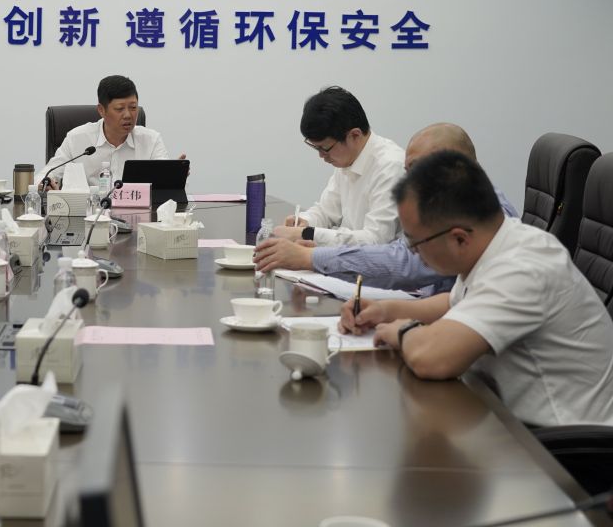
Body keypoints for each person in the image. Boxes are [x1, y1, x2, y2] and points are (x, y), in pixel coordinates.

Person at [339, 150, 613, 427]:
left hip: (561, 443)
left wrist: (402, 331)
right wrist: (385, 310)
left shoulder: (523, 268)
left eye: (415, 243)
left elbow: (431, 359)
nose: (413, 252)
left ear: (459, 238)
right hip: (510, 420)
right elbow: (456, 302)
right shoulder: (499, 241)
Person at [255, 123, 518, 294]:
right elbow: (401, 251)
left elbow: (404, 264)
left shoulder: (482, 216)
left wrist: (310, 258)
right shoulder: (444, 207)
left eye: (418, 170)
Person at [274, 86, 404, 246]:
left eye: (325, 148)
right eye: (316, 148)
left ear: (354, 135)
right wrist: (305, 221)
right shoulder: (348, 159)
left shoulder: (390, 168)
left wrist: (309, 233)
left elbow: (375, 241)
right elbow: (326, 211)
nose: (321, 156)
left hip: (375, 261)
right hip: (346, 257)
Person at [41, 75, 184, 190]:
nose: (128, 115)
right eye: (120, 109)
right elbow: (46, 176)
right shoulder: (77, 139)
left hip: (136, 214)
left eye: (133, 107)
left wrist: (173, 175)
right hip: (88, 213)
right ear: (101, 110)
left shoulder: (151, 140)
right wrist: (46, 183)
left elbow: (164, 185)